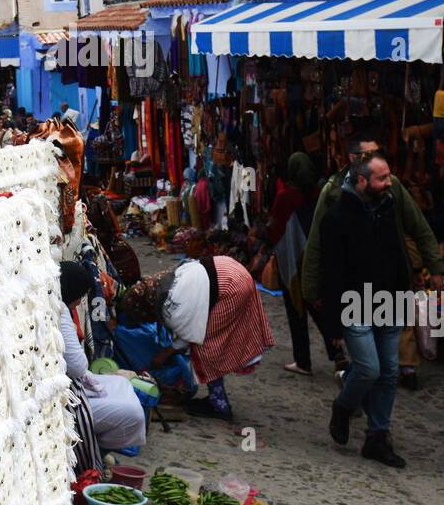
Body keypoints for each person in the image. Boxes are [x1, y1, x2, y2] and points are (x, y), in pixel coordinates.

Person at [302, 130, 444, 389]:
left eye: (378, 154)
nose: (377, 160)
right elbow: (316, 244)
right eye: (370, 155)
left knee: (388, 358)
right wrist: (311, 287)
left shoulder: (392, 187)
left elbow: (419, 227)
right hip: (354, 287)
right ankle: (353, 392)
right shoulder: (333, 192)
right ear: (353, 158)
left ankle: (391, 393)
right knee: (367, 357)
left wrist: (435, 266)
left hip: (391, 279)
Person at [321, 153, 411, 468]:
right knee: (369, 369)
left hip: (388, 302)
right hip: (354, 305)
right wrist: (331, 327)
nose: (389, 184)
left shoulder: (387, 208)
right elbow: (330, 274)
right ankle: (344, 406)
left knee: (388, 372)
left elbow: (397, 255)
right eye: (382, 179)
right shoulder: (336, 217)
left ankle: (377, 437)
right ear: (362, 182)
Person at [142, 256, 275, 421]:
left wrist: (166, 353)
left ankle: (220, 405)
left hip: (231, 285)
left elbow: (192, 334)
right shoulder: (172, 281)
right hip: (230, 269)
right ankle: (216, 399)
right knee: (209, 342)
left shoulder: (176, 303)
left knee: (208, 347)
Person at [59, 261, 146, 452]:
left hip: (68, 382)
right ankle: (97, 448)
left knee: (120, 384)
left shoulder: (61, 308)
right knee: (133, 413)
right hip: (62, 395)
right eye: (80, 296)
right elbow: (77, 366)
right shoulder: (61, 311)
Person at [265, 152, 332, 376]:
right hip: (314, 260)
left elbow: (275, 229)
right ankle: (337, 351)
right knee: (317, 307)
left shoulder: (285, 197)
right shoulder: (319, 193)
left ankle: (303, 361)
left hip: (292, 262)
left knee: (296, 311)